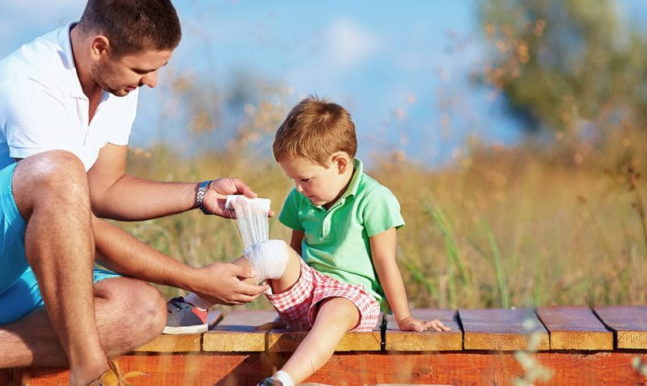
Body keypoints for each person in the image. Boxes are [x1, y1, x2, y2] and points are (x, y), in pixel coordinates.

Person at [0, 1, 267, 385]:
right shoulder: (31, 83)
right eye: (142, 69)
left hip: (14, 275)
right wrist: (195, 279)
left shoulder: (116, 84)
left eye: (157, 68)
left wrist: (201, 194)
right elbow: (73, 216)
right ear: (100, 47)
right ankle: (90, 374)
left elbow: (105, 189)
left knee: (142, 309)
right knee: (59, 171)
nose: (152, 81)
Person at [165, 96, 451, 386]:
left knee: (335, 309)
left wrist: (404, 318)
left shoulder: (374, 199)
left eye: (305, 179)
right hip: (308, 287)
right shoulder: (301, 199)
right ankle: (194, 305)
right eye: (293, 180)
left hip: (353, 300)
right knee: (271, 250)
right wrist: (284, 309)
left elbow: (385, 262)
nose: (298, 189)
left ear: (340, 163)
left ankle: (283, 381)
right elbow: (292, 254)